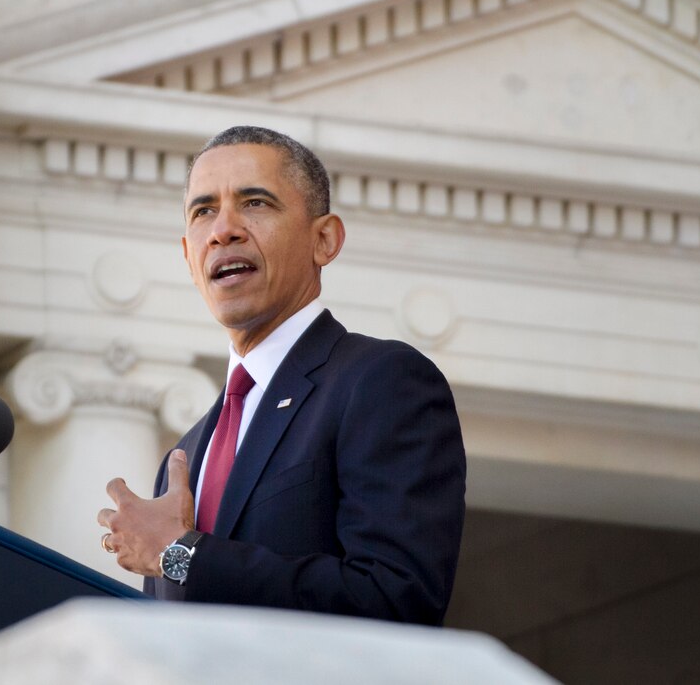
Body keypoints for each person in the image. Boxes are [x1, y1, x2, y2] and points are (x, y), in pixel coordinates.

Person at [97, 126, 465, 625]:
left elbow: (395, 598)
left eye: (255, 203)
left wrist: (183, 555)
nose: (223, 229)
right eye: (203, 211)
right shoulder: (184, 456)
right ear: (188, 255)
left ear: (324, 239)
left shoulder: (379, 381)